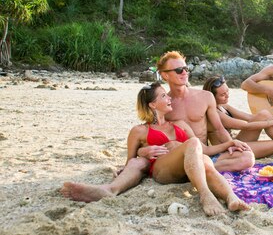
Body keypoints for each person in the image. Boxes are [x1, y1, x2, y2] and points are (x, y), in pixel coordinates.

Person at [61, 50, 254, 203]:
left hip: (202, 153)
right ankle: (109, 189)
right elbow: (146, 135)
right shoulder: (163, 104)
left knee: (247, 157)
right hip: (170, 162)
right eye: (178, 70)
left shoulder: (204, 98)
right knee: (143, 162)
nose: (184, 72)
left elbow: (219, 129)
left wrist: (230, 144)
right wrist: (143, 151)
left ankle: (207, 181)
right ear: (164, 75)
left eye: (185, 68)